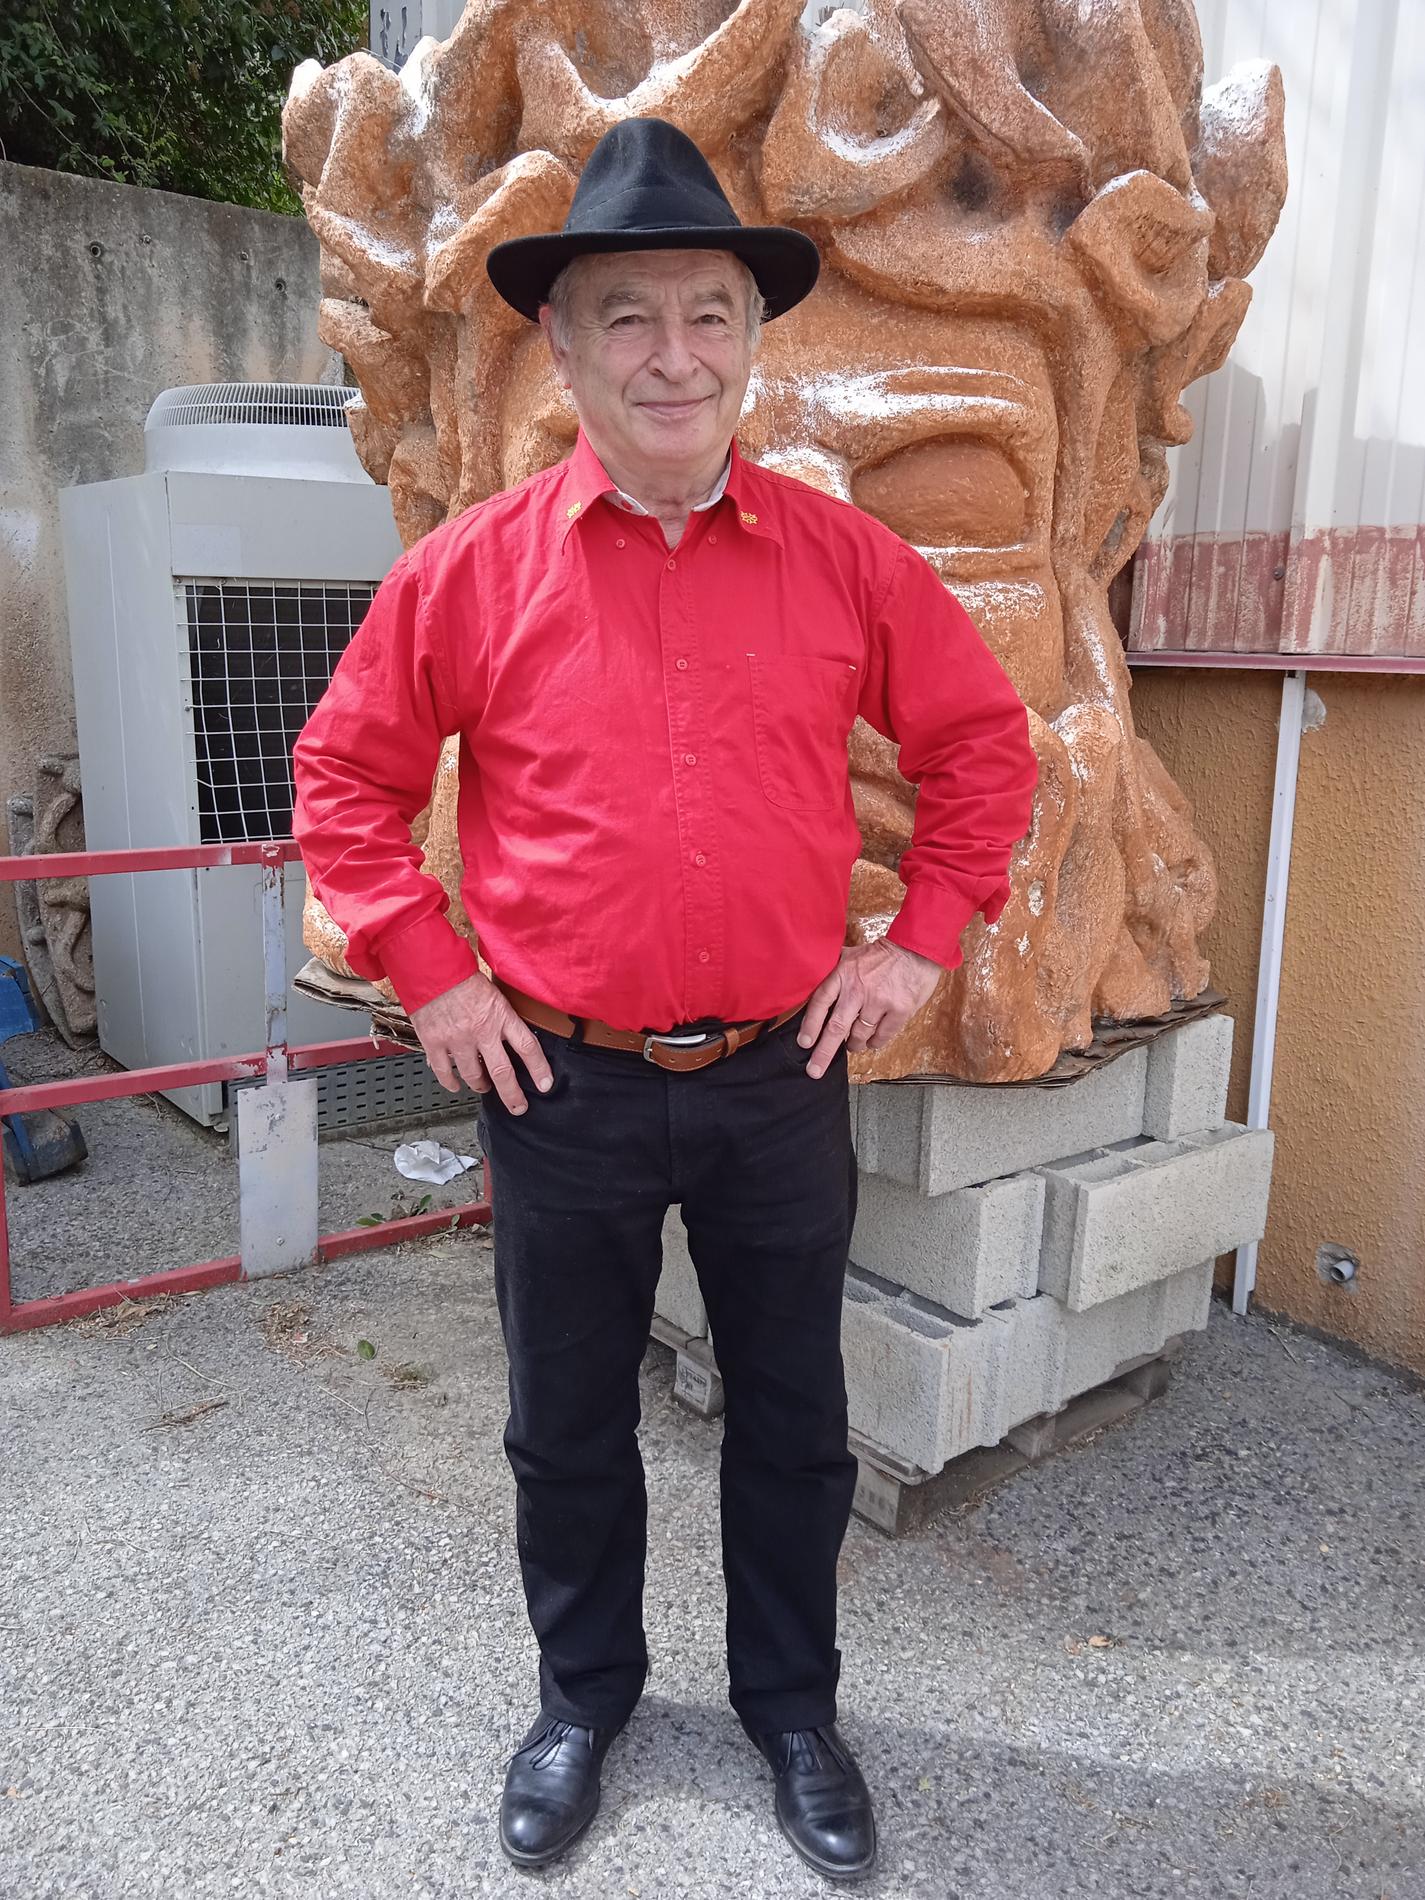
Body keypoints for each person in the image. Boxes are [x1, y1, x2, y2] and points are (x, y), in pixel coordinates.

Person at [292, 116, 1038, 1883]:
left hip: (785, 1073)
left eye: (706, 312)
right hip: (563, 1085)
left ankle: (792, 1706)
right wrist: (435, 979)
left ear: (749, 339)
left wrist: (919, 942)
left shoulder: (843, 562)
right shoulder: (471, 571)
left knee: (791, 1412)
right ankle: (582, 1703)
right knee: (564, 1418)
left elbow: (979, 749)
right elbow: (342, 783)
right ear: (561, 344)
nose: (671, 355)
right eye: (628, 317)